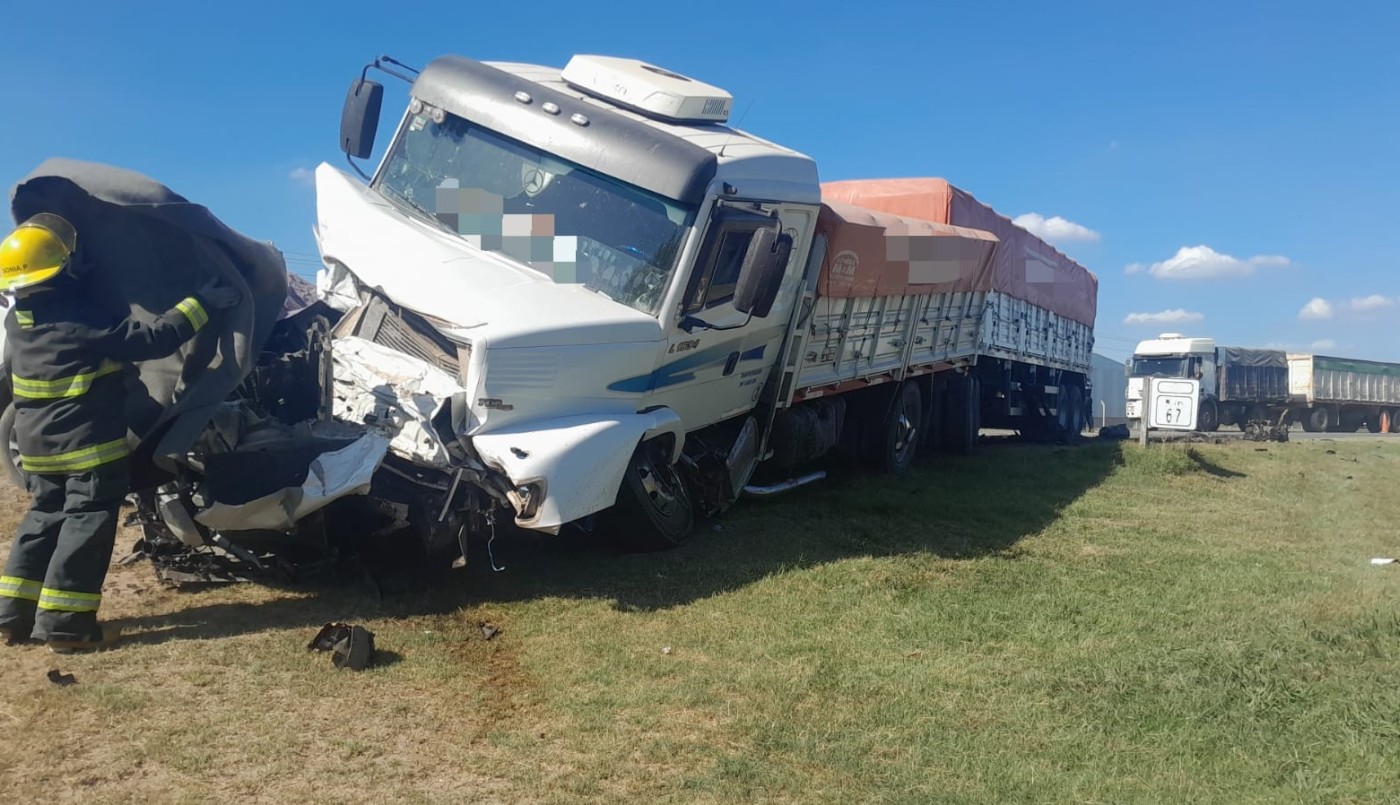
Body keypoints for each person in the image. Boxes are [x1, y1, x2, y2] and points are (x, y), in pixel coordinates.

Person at [0, 213, 240, 653]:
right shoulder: (80, 319)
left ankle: (12, 615)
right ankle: (67, 624)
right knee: (85, 524)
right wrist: (200, 304)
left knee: (43, 519)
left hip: (37, 448)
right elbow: (153, 339)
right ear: (64, 269)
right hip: (85, 446)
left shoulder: (19, 322)